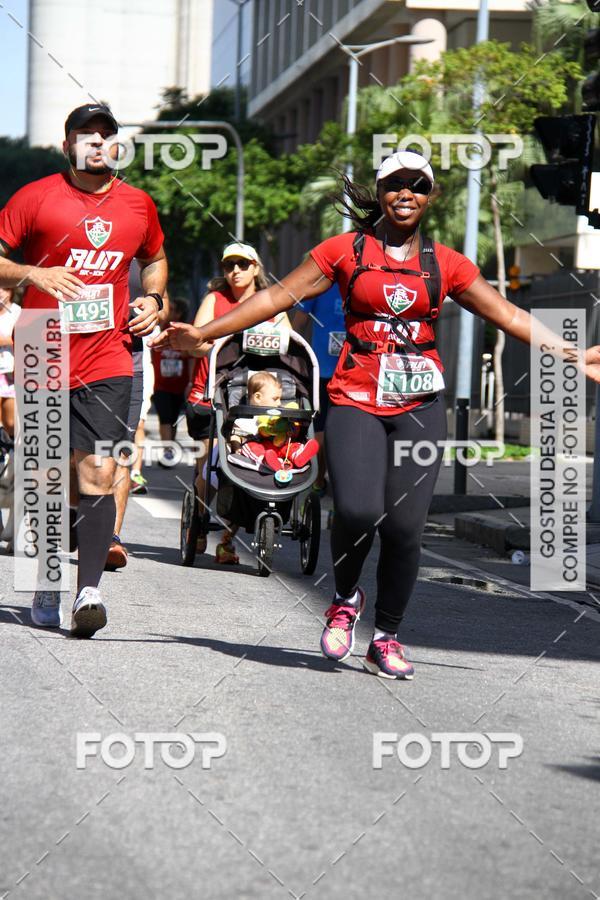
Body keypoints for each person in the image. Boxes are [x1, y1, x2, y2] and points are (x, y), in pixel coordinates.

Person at [152, 149, 600, 680]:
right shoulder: (345, 251)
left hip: (418, 406)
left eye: (416, 184)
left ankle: (385, 636)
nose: (405, 193)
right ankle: (345, 599)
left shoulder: (445, 263)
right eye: (394, 183)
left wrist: (572, 354)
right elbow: (279, 296)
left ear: (429, 195)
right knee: (359, 511)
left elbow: (504, 312)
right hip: (354, 399)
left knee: (407, 528)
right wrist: (205, 333)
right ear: (381, 190)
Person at [0, 103, 167, 636]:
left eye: (106, 135)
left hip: (108, 353)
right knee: (52, 471)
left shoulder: (138, 204)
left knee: (98, 469)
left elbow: (155, 258)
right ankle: (48, 578)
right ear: (67, 143)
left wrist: (156, 299)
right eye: (86, 135)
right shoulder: (35, 198)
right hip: (42, 344)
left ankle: (87, 590)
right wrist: (32, 272)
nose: (98, 143)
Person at [185, 240, 289, 565]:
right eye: (230, 265)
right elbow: (196, 342)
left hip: (256, 398)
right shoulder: (215, 299)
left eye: (243, 265)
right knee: (210, 466)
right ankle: (199, 523)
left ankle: (228, 540)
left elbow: (287, 344)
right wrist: (215, 336)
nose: (235, 271)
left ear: (256, 268)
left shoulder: (271, 302)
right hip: (212, 393)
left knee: (252, 465)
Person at [291, 282, 345, 494]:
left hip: (354, 375)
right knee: (322, 434)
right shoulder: (319, 285)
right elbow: (297, 327)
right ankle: (319, 479)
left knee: (339, 435)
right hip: (322, 373)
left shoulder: (362, 282)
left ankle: (326, 482)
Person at [231, 371, 318, 472]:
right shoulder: (244, 419)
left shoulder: (278, 418)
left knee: (290, 446)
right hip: (260, 446)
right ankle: (266, 461)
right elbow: (235, 435)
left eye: (280, 399)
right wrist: (236, 447)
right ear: (258, 397)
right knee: (251, 447)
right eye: (275, 399)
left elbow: (290, 431)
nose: (279, 403)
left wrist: (290, 431)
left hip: (278, 445)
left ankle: (298, 455)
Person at [151, 296, 189, 466]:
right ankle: (167, 451)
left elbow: (192, 356)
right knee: (164, 419)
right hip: (161, 385)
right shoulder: (160, 329)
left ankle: (170, 447)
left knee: (172, 420)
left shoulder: (185, 333)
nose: (169, 312)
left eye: (172, 309)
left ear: (180, 314)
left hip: (179, 385)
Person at [0, 287, 21, 440]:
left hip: (11, 370)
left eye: (5, 289)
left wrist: (5, 340)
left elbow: (27, 337)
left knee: (11, 421)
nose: (1, 292)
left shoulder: (18, 312)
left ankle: (10, 447)